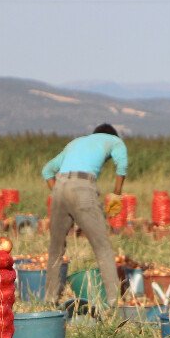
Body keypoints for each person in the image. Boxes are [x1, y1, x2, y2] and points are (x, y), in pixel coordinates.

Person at [40, 123, 127, 304]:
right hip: (83, 187)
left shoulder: (76, 142)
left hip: (60, 187)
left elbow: (47, 170)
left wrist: (59, 193)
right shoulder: (114, 140)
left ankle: (50, 299)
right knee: (102, 246)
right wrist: (117, 194)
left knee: (56, 249)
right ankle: (114, 301)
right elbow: (122, 166)